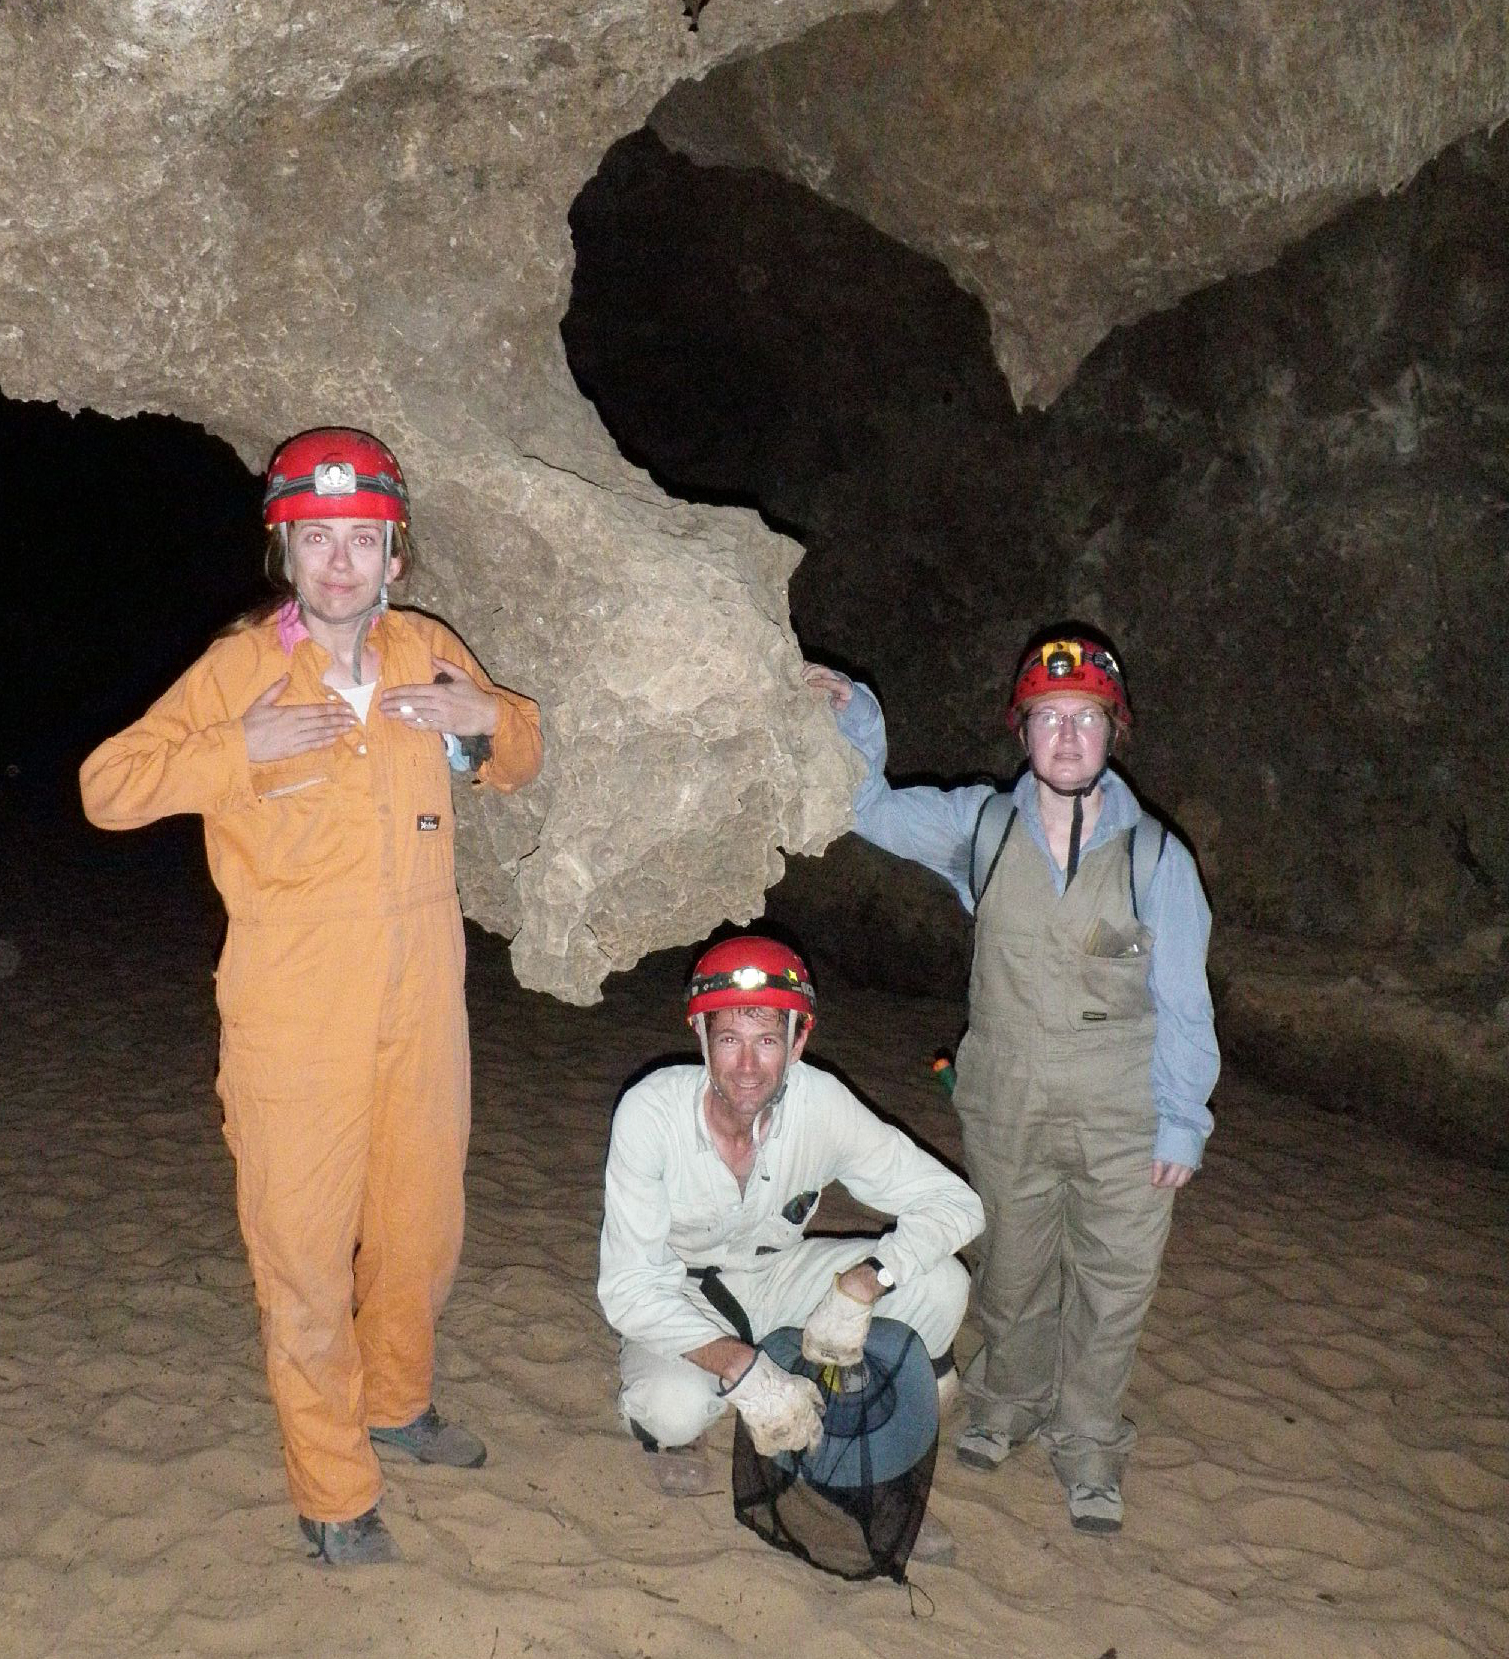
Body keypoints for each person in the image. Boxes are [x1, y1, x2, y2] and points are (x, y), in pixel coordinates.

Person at [81, 427, 543, 1566]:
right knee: (301, 1254)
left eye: (362, 540)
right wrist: (234, 748)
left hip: (423, 998)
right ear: (283, 552)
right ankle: (334, 1490)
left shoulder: (427, 649)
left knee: (420, 1228)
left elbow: (522, 753)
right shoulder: (239, 671)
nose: (341, 561)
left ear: (396, 553)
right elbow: (108, 787)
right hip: (293, 1010)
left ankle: (397, 1400)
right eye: (317, 538)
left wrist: (488, 723)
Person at [805, 632, 1218, 1535]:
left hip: (1123, 1115)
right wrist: (857, 713)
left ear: (1113, 732)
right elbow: (868, 808)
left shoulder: (1157, 859)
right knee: (1012, 1268)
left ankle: (1090, 1442)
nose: (1066, 736)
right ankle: (1006, 1402)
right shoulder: (981, 828)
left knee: (1114, 1285)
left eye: (1086, 718)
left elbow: (1187, 1003)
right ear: (1022, 731)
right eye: (1047, 717)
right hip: (1006, 1101)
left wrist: (1182, 1120)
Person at [597, 934, 984, 1550]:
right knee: (672, 1410)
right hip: (681, 1290)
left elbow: (956, 1204)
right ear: (701, 1038)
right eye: (730, 1040)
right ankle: (702, 1408)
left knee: (942, 1283)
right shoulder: (649, 1114)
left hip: (779, 1276)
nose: (748, 1067)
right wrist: (745, 1371)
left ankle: (880, 1418)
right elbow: (628, 1288)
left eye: (768, 1040)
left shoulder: (821, 1103)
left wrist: (868, 1282)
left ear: (798, 1041)